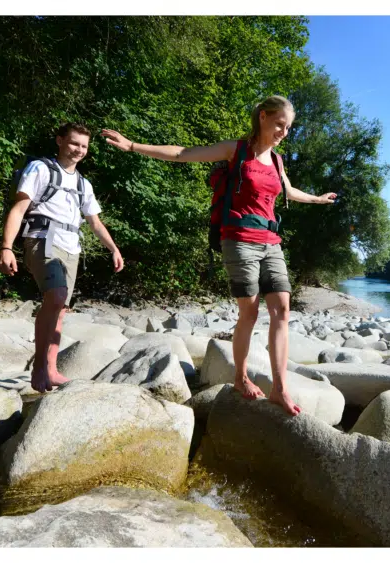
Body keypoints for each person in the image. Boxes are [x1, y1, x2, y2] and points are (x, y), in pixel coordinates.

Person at [100, 95, 336, 416]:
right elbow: (183, 154)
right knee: (250, 313)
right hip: (238, 238)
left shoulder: (277, 161)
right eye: (280, 124)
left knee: (282, 307)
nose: (284, 131)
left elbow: (289, 191)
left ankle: (280, 388)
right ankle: (240, 377)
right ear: (263, 117)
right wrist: (132, 146)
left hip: (270, 240)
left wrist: (319, 199)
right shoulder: (236, 150)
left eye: (289, 127)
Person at [0, 122, 125, 393]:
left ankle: (52, 368)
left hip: (72, 246)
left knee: (61, 308)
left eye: (84, 146)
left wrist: (113, 248)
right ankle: (39, 369)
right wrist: (6, 247)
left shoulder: (83, 183)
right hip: (43, 237)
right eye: (74, 143)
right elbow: (19, 208)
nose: (79, 149)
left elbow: (95, 222)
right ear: (59, 141)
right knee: (55, 297)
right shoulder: (41, 169)